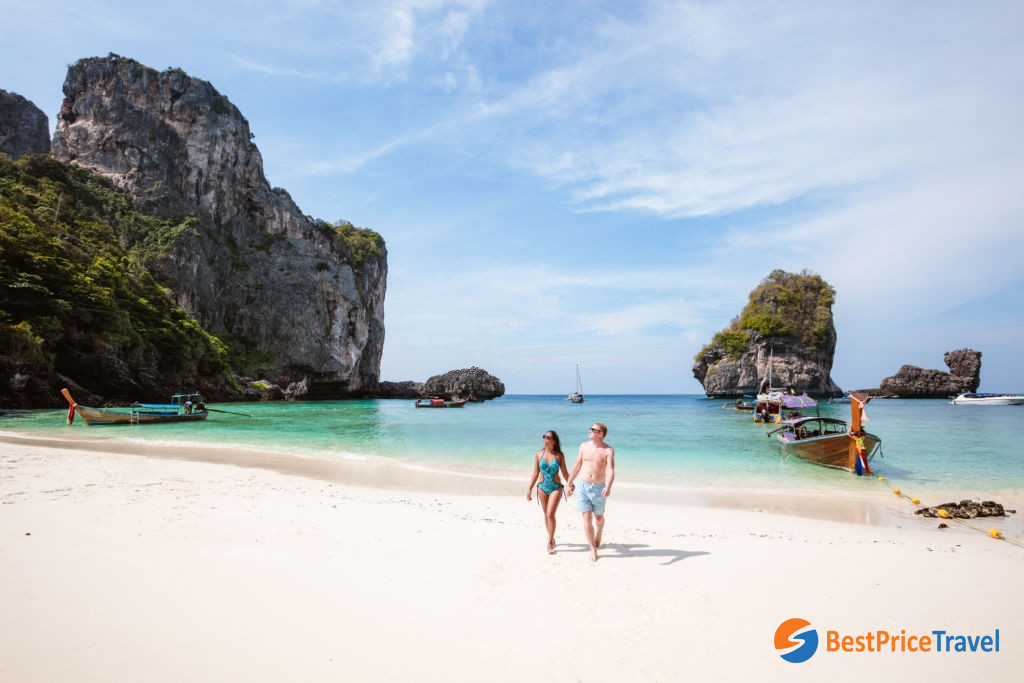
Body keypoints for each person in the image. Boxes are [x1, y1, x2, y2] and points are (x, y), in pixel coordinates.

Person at [566, 422, 616, 562]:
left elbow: (611, 470)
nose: (590, 430)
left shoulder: (608, 450)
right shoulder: (583, 446)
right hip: (583, 486)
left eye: (593, 429)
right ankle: (592, 548)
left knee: (598, 518)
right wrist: (569, 483)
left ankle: (599, 531)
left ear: (600, 434)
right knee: (587, 518)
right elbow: (577, 465)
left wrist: (608, 486)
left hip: (599, 488)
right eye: (590, 428)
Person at [526, 430, 570, 554]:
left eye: (548, 437)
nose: (545, 439)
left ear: (554, 441)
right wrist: (529, 489)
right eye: (544, 436)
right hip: (542, 487)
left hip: (556, 487)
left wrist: (571, 484)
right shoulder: (538, 454)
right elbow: (535, 473)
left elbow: (565, 473)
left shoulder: (559, 455)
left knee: (550, 513)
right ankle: (551, 537)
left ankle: (550, 541)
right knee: (546, 514)